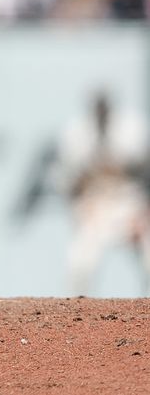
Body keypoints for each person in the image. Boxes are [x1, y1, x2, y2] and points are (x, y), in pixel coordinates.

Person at [55, 90, 150, 295]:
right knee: (79, 263)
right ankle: (76, 318)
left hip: (129, 204)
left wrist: (144, 212)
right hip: (95, 206)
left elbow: (143, 172)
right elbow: (69, 181)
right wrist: (79, 210)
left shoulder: (132, 128)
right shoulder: (77, 133)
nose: (101, 112)